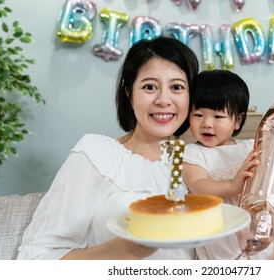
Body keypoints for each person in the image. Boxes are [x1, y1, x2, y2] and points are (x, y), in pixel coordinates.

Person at [17, 36, 200, 260]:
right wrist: (121, 250)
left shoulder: (197, 165)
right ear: (128, 93)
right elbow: (35, 258)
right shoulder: (97, 155)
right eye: (150, 86)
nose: (163, 100)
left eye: (177, 87)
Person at [182, 69, 274, 260]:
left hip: (266, 213)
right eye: (198, 115)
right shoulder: (193, 153)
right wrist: (232, 185)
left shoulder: (251, 146)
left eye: (218, 117)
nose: (207, 123)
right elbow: (197, 186)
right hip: (229, 224)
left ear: (237, 120)